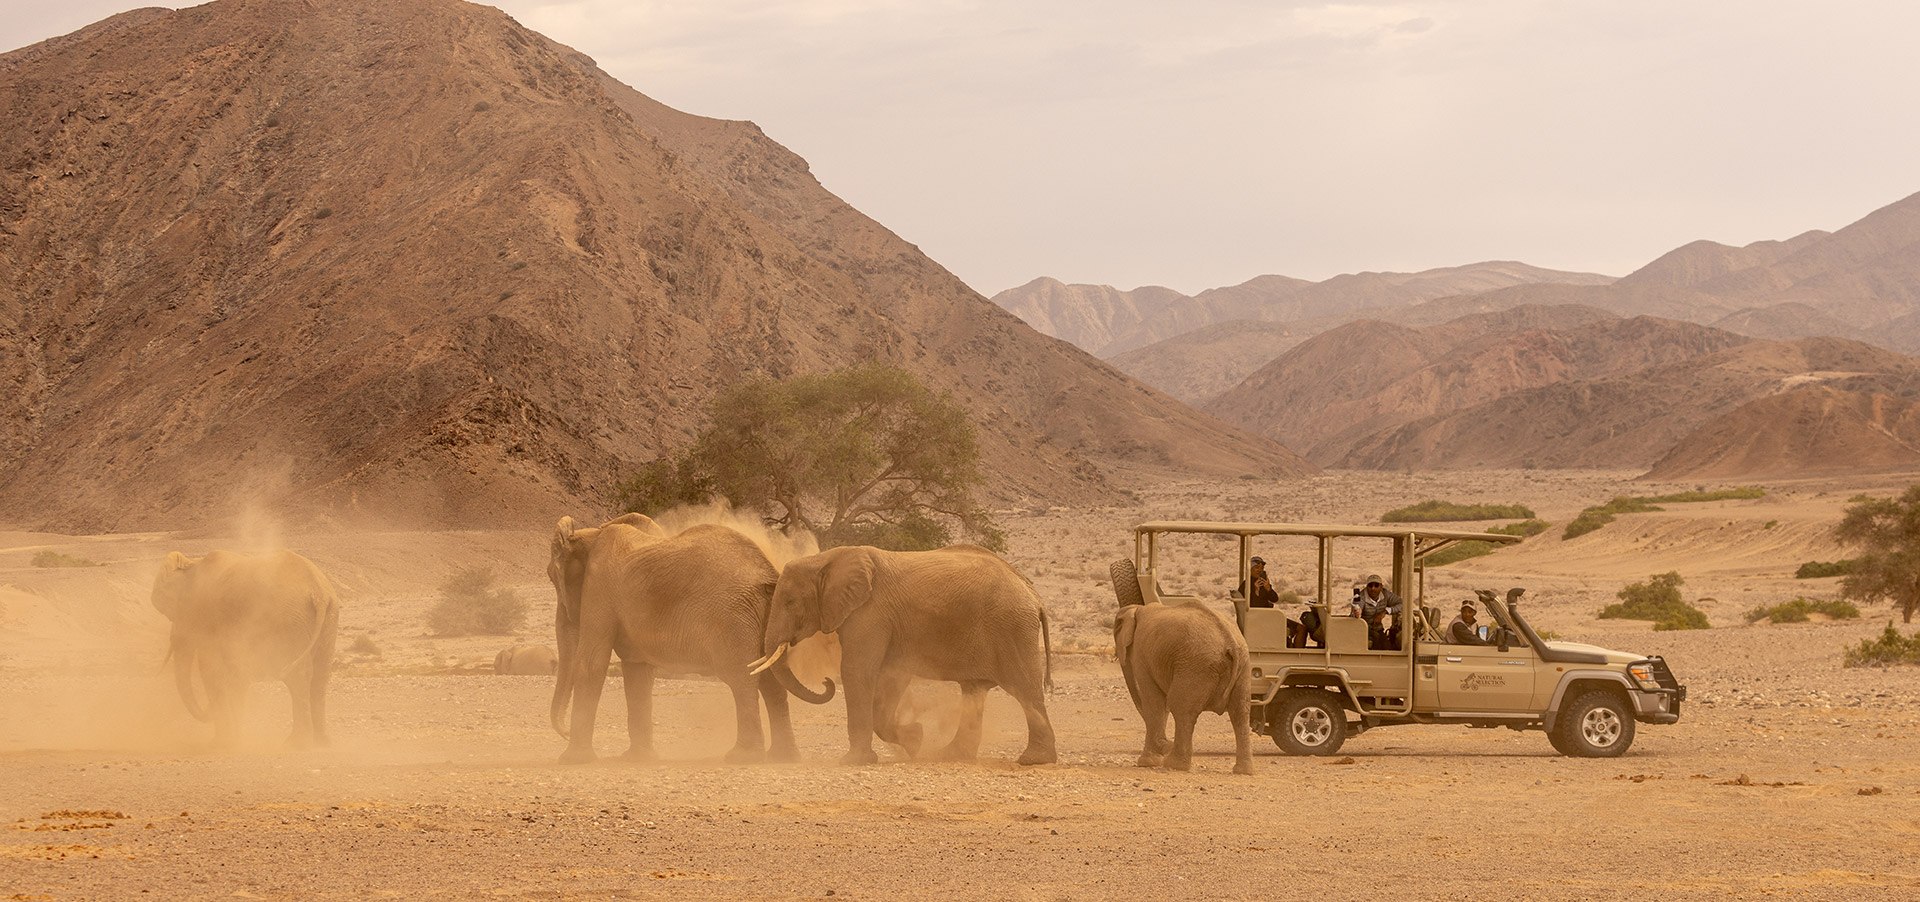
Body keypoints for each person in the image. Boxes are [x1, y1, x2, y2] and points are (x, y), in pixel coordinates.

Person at [1356, 574, 1403, 650]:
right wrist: (1357, 613)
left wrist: (1385, 612)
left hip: (1378, 629)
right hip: (1363, 631)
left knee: (1388, 647)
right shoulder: (1361, 597)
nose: (1373, 588)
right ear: (1367, 586)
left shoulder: (1385, 594)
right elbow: (1355, 613)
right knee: (1376, 640)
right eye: (1370, 586)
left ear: (1381, 586)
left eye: (1376, 585)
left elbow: (1402, 604)